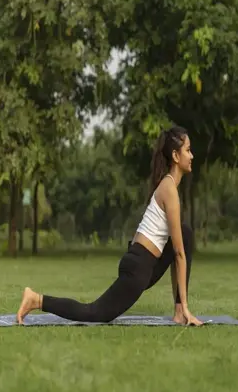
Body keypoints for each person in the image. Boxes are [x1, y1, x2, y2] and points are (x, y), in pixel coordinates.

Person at [16, 125, 202, 326]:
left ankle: (178, 312)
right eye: (188, 150)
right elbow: (179, 253)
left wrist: (181, 308)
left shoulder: (168, 187)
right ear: (175, 155)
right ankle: (36, 299)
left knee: (186, 233)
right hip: (139, 267)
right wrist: (187, 308)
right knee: (94, 313)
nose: (192, 155)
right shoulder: (169, 189)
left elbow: (178, 246)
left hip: (145, 263)